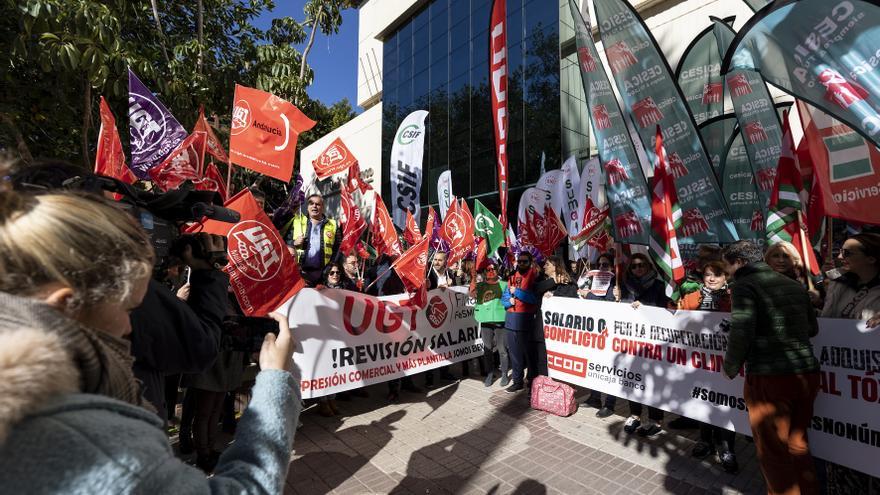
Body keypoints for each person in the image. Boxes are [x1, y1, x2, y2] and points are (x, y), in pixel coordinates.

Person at [0, 190, 300, 493]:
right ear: (66, 305)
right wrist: (275, 381)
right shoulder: (97, 446)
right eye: (129, 308)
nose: (131, 325)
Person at [721, 240, 820, 494]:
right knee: (797, 443)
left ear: (740, 262)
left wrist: (731, 365)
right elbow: (812, 328)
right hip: (805, 373)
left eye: (728, 265)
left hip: (770, 376)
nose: (727, 271)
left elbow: (741, 330)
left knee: (773, 451)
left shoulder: (744, 285)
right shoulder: (793, 285)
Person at [819, 233, 880, 493]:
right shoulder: (838, 284)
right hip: (842, 387)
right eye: (840, 251)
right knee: (843, 464)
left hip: (871, 392)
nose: (840, 257)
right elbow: (826, 322)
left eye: (848, 253)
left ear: (872, 258)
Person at [677, 261, 738, 473]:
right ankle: (705, 440)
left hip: (725, 364)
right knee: (702, 400)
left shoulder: (734, 299)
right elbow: (674, 319)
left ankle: (727, 447)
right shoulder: (691, 298)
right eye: (708, 274)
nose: (711, 279)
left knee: (726, 404)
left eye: (717, 275)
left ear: (725, 277)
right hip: (699, 363)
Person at [618, 253, 670, 437]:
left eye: (641, 265)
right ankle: (635, 415)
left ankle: (656, 420)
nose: (638, 269)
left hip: (652, 342)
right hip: (631, 341)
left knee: (652, 382)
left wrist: (645, 307)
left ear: (648, 266)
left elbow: (665, 311)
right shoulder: (625, 285)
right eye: (634, 266)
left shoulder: (658, 286)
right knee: (633, 378)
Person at [282, 193, 342, 286]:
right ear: (307, 207)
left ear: (323, 207)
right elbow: (285, 243)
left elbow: (339, 247)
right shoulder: (297, 221)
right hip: (301, 273)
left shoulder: (333, 224)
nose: (314, 206)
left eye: (318, 204)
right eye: (311, 203)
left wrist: (330, 266)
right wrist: (294, 243)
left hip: (323, 274)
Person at [502, 251, 539, 393]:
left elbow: (533, 299)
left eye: (525, 261)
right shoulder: (511, 277)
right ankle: (517, 381)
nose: (521, 264)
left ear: (530, 263)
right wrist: (507, 301)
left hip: (525, 320)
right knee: (515, 354)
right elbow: (503, 299)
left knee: (529, 354)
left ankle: (532, 381)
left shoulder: (534, 277)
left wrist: (516, 292)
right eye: (520, 261)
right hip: (511, 320)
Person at [470, 263, 510, 387]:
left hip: (500, 322)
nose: (491, 271)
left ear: (497, 271)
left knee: (502, 350)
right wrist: (473, 277)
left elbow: (507, 300)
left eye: (493, 269)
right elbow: (472, 294)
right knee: (487, 350)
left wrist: (509, 299)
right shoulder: (480, 285)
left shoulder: (504, 284)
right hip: (486, 322)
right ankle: (490, 373)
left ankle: (504, 374)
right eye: (488, 269)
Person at [426, 250, 458, 387]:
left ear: (445, 261)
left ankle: (445, 372)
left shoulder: (449, 274)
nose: (437, 262)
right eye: (435, 260)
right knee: (431, 348)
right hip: (430, 318)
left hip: (447, 317)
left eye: (440, 260)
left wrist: (453, 285)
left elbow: (457, 293)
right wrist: (432, 288)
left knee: (445, 345)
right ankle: (429, 378)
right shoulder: (427, 275)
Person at [764, 241, 823, 308]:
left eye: (786, 256)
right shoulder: (760, 282)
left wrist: (817, 302)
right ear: (768, 259)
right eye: (776, 256)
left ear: (795, 260)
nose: (781, 260)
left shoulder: (809, 283)